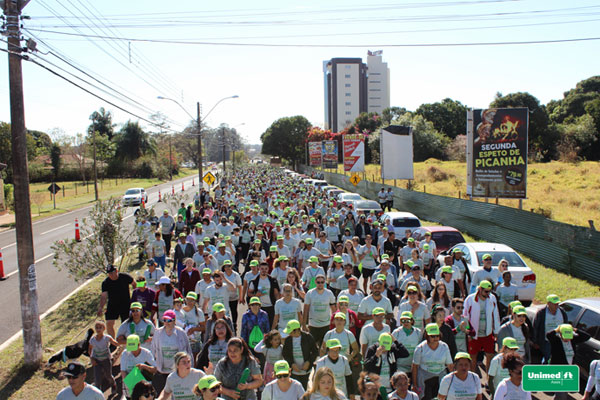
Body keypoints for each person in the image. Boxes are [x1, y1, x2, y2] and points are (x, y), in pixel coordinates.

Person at [151, 309, 193, 393]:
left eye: (169, 320)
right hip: (162, 371)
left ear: (174, 321)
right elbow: (153, 349)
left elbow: (188, 351)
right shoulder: (158, 333)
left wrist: (189, 369)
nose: (167, 322)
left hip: (177, 371)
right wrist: (153, 365)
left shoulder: (181, 333)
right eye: (165, 320)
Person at [463, 280, 500, 372]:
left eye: (490, 291)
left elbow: (495, 315)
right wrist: (468, 332)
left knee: (490, 356)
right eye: (486, 291)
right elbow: (465, 317)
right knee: (472, 358)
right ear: (480, 289)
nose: (488, 294)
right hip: (474, 335)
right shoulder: (470, 299)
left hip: (487, 333)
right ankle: (472, 379)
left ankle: (489, 380)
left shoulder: (492, 298)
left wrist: (496, 332)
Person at [412, 323, 453, 400]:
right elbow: (415, 367)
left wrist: (454, 381)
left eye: (437, 335)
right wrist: (414, 384)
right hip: (425, 377)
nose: (435, 338)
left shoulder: (444, 346)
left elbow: (450, 365)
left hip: (440, 376)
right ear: (427, 336)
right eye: (432, 336)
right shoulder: (420, 348)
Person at [97, 264, 135, 339]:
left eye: (112, 272)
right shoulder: (106, 283)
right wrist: (101, 307)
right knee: (109, 323)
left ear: (116, 271)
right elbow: (104, 296)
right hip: (113, 305)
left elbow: (134, 284)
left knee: (126, 324)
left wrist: (135, 296)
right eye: (109, 273)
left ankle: (125, 341)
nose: (111, 275)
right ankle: (113, 343)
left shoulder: (125, 277)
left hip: (125, 304)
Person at [282, 319, 319, 389]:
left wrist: (308, 362)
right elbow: (285, 354)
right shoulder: (288, 340)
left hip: (306, 372)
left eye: (291, 332)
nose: (289, 334)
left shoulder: (308, 337)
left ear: (297, 330)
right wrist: (292, 364)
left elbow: (315, 352)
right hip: (294, 372)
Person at [303, 273, 337, 347]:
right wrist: (304, 324)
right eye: (318, 282)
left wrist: (335, 321)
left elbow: (333, 309)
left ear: (324, 282)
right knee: (311, 347)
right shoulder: (310, 293)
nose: (320, 284)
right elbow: (306, 310)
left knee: (324, 347)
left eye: (322, 282)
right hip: (313, 325)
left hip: (326, 324)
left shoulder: (329, 293)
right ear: (315, 282)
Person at [532, 294, 567, 364]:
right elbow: (535, 327)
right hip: (546, 341)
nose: (556, 306)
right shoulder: (541, 313)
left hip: (559, 341)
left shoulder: (562, 312)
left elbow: (566, 324)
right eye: (554, 304)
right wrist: (535, 341)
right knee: (548, 357)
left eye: (557, 304)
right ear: (548, 303)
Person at [121, 334, 157, 399]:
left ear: (139, 344)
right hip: (130, 384)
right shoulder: (125, 353)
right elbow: (123, 370)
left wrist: (143, 366)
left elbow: (155, 369)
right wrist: (126, 381)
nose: (133, 351)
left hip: (144, 387)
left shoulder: (146, 353)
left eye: (134, 348)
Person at [88, 320, 118, 394]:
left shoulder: (107, 338)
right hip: (96, 361)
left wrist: (126, 342)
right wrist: (92, 359)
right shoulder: (92, 340)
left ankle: (113, 384)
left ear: (104, 329)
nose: (98, 329)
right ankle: (99, 395)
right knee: (97, 379)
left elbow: (116, 343)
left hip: (106, 360)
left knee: (108, 375)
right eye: (97, 328)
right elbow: (90, 349)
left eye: (100, 328)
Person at [182, 291, 206, 358]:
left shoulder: (199, 312)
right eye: (188, 300)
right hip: (183, 340)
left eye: (192, 300)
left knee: (194, 359)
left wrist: (194, 329)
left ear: (195, 301)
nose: (189, 302)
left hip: (195, 341)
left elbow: (203, 327)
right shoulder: (180, 310)